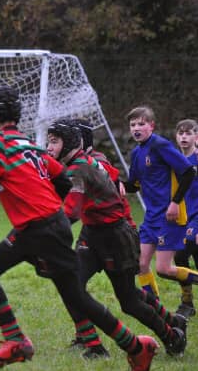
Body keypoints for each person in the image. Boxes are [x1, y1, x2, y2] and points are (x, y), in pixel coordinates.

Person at [0, 85, 158, 371]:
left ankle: (18, 341)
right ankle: (132, 345)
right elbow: (64, 181)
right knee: (72, 295)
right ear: (17, 115)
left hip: (38, 230)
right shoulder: (30, 146)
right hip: (49, 226)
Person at [46, 119, 186, 358]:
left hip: (115, 236)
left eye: (54, 142)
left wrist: (43, 233)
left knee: (129, 301)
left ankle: (172, 335)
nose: (49, 148)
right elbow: (113, 180)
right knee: (70, 284)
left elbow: (70, 213)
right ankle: (92, 345)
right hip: (93, 234)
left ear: (71, 142)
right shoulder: (91, 162)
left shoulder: (81, 169)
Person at [124, 106, 198, 307]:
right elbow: (132, 185)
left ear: (151, 126)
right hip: (150, 218)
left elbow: (189, 172)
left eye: (141, 123)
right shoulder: (136, 153)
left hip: (169, 217)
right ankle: (154, 308)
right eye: (133, 125)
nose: (136, 128)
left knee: (164, 269)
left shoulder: (160, 145)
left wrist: (174, 203)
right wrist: (110, 179)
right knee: (140, 265)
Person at [173, 119, 198, 318]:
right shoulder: (174, 162)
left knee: (181, 253)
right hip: (181, 218)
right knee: (184, 256)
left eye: (188, 133)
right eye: (180, 133)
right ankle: (187, 302)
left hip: (197, 217)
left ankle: (187, 303)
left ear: (196, 137)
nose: (183, 137)